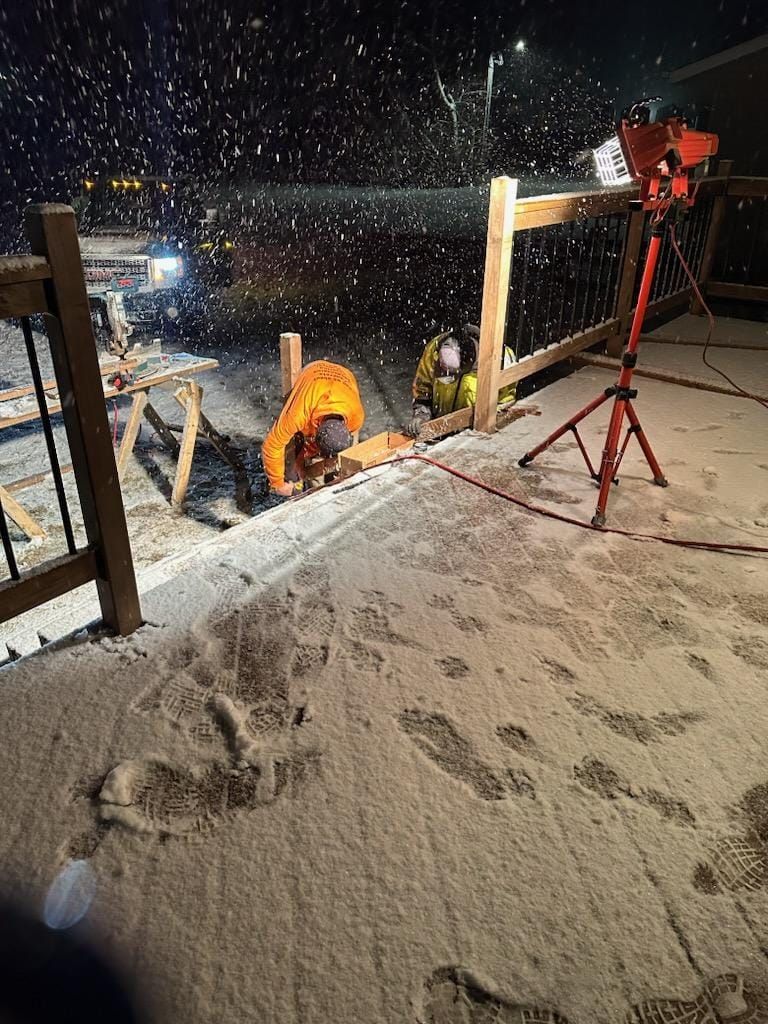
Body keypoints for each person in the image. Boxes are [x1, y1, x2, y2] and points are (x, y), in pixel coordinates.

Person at [262, 359, 364, 496]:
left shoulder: (356, 417)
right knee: (311, 461)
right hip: (313, 372)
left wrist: (342, 466)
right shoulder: (299, 413)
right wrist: (277, 483)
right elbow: (272, 445)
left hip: (345, 376)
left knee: (348, 463)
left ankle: (341, 482)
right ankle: (316, 492)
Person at [408, 323, 517, 435]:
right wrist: (421, 414)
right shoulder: (434, 349)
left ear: (466, 368)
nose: (444, 377)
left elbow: (505, 405)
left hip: (474, 434)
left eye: (451, 374)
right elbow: (423, 388)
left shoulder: (501, 361)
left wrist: (476, 425)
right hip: (438, 428)